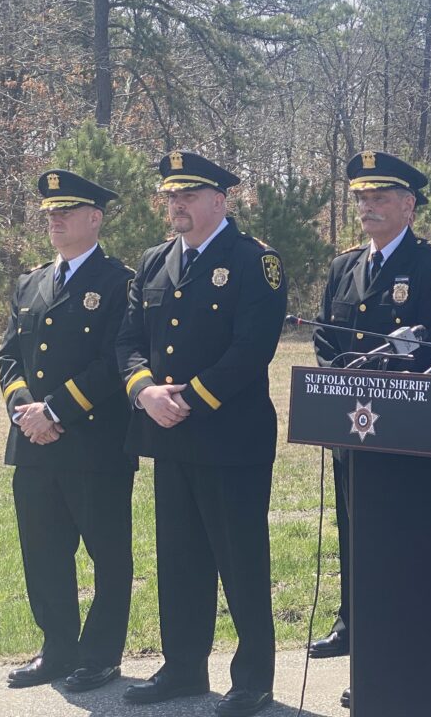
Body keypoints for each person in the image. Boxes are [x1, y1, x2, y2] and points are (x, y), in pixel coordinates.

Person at [116, 151, 287, 717]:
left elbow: (252, 348)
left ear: (219, 200)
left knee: (241, 561)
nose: (177, 206)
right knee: (180, 559)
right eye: (171, 196)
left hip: (229, 437)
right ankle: (184, 668)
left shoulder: (254, 260)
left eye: (188, 196)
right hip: (168, 434)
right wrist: (145, 391)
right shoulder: (155, 260)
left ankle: (253, 679)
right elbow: (128, 340)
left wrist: (188, 397)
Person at [310, 149, 431, 709]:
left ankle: (401, 647)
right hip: (352, 429)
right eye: (363, 198)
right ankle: (355, 624)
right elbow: (325, 338)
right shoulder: (344, 267)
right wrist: (339, 383)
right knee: (354, 531)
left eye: (380, 198)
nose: (368, 207)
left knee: (401, 542)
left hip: (406, 433)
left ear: (408, 206)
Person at [0, 170, 135, 693]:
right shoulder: (30, 282)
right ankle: (57, 649)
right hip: (33, 446)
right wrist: (26, 412)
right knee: (44, 553)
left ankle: (100, 656)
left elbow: (114, 361)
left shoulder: (120, 283)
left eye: (67, 211)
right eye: (51, 212)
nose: (55, 219)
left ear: (94, 219)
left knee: (108, 555)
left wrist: (54, 411)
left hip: (94, 445)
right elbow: (9, 357)